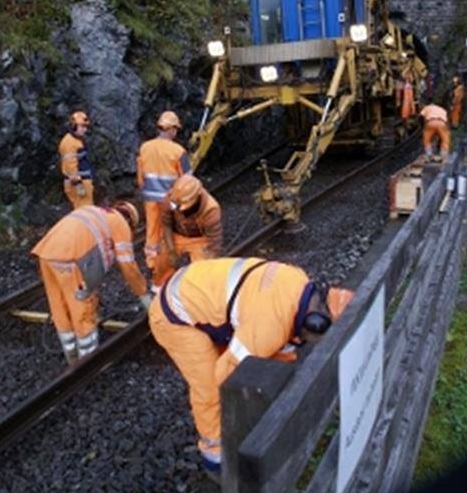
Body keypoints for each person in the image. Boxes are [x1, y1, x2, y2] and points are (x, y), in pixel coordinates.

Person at [148, 257, 354, 475]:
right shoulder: (268, 327)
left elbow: (280, 354)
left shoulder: (297, 282)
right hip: (174, 316)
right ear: (316, 324)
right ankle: (214, 456)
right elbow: (227, 376)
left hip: (198, 292)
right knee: (209, 388)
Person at [29, 201, 150, 365]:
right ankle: (87, 362)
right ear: (130, 221)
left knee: (59, 305)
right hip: (70, 260)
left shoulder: (94, 211)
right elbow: (128, 265)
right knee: (83, 310)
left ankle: (71, 355)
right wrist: (143, 293)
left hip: (46, 254)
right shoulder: (120, 223)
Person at [136, 110, 192, 274]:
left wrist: (145, 190)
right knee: (169, 230)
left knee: (152, 230)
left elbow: (140, 176)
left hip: (150, 198)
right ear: (172, 129)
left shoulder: (145, 147)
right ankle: (167, 262)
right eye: (176, 129)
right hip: (170, 200)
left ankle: (152, 262)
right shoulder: (178, 151)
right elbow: (187, 179)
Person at [153, 174, 224, 287]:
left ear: (196, 199)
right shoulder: (171, 199)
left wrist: (208, 263)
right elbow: (167, 225)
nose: (179, 210)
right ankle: (159, 286)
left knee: (202, 270)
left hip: (200, 239)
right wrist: (171, 251)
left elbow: (214, 243)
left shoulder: (211, 210)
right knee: (162, 258)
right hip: (177, 236)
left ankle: (198, 289)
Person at [59, 110, 95, 209]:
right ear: (74, 126)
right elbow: (70, 165)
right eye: (82, 127)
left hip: (83, 182)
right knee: (85, 211)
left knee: (86, 210)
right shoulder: (70, 143)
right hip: (78, 184)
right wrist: (78, 184)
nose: (85, 130)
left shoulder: (76, 141)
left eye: (86, 127)